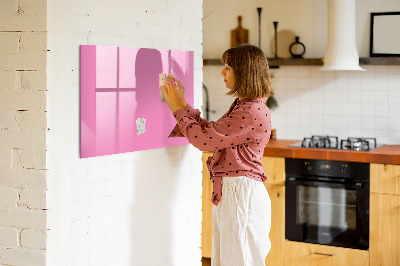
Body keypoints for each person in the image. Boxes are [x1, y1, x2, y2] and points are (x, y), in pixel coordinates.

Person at [161, 44, 273, 266]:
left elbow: (204, 141)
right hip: (236, 193)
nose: (222, 72)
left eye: (228, 67)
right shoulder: (246, 106)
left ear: (244, 72)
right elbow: (212, 133)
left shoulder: (250, 111)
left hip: (241, 195)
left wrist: (176, 108)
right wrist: (182, 104)